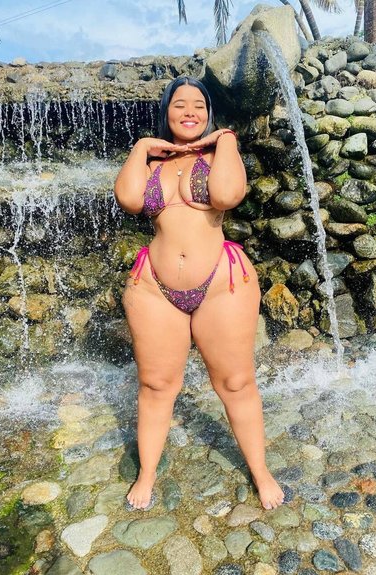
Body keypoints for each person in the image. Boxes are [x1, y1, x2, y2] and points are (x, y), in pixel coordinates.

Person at [114, 76, 285, 511]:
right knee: (156, 384)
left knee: (235, 382)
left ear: (208, 113)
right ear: (166, 112)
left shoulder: (219, 153)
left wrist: (225, 138)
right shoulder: (151, 161)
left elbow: (226, 195)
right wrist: (142, 147)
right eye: (179, 105)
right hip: (154, 287)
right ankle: (147, 472)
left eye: (198, 105)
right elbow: (129, 200)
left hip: (221, 284)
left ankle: (260, 471)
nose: (189, 112)